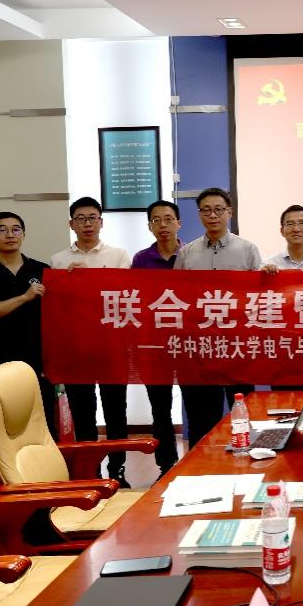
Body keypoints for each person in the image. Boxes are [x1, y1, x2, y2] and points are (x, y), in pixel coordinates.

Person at [51, 196, 132, 487]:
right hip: (76, 347)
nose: (87, 223)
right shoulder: (59, 261)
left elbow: (126, 295)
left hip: (111, 345)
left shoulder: (119, 255)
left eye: (92, 218)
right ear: (71, 224)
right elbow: (57, 306)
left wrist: (95, 278)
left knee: (115, 411)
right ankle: (91, 472)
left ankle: (118, 471)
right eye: (81, 218)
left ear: (101, 222)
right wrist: (69, 280)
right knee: (83, 412)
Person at [174, 188, 261, 447]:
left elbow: (259, 296)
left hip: (238, 345)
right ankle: (201, 465)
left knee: (243, 412)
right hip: (202, 346)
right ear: (199, 214)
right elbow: (177, 295)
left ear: (229, 212)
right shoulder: (187, 253)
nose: (213, 215)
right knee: (204, 418)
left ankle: (246, 459)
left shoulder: (248, 250)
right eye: (206, 210)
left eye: (219, 210)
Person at [0, 212, 57, 435]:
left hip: (38, 361)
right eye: (2, 230)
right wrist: (25, 297)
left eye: (16, 229)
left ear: (23, 235)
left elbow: (58, 314)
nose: (10, 235)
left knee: (43, 423)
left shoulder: (41, 269)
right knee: (4, 424)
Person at [131, 200, 182, 477]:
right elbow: (135, 298)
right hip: (155, 343)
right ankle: (167, 466)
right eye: (156, 220)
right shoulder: (141, 260)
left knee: (197, 404)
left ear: (178, 223)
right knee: (160, 408)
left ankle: (197, 462)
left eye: (168, 219)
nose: (163, 225)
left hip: (188, 343)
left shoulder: (191, 255)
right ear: (150, 226)